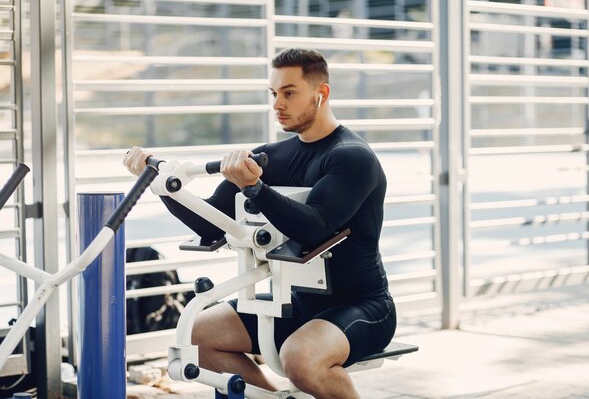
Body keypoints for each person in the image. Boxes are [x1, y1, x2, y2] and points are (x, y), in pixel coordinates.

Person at [123, 48, 395, 399]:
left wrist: (254, 187)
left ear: (321, 93)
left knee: (299, 359)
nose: (277, 103)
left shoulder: (352, 157)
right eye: (273, 93)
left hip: (362, 307)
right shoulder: (274, 156)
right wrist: (161, 185)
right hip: (297, 305)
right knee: (196, 333)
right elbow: (211, 226)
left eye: (289, 93)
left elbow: (315, 228)